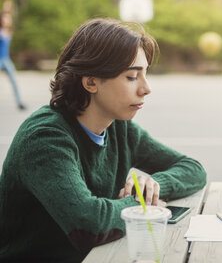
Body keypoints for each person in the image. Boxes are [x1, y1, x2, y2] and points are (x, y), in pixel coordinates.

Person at [0, 18, 207, 262]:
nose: (146, 88)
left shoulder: (120, 128)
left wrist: (152, 187)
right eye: (132, 77)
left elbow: (193, 169)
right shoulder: (45, 138)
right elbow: (89, 224)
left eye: (145, 75)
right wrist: (141, 205)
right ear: (90, 82)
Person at [0, 10, 26, 110]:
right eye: (5, 18)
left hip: (6, 60)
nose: (7, 20)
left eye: (8, 19)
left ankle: (19, 103)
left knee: (14, 81)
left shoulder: (9, 31)